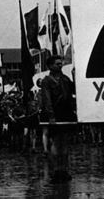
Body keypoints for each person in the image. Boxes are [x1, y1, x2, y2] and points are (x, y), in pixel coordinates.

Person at [41, 55, 77, 183]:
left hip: (66, 113)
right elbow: (47, 99)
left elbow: (74, 90)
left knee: (65, 143)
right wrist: (51, 116)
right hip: (55, 114)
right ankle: (56, 170)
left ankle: (64, 169)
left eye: (60, 63)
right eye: (57, 64)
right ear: (50, 66)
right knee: (56, 143)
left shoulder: (65, 79)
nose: (60, 66)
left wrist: (74, 76)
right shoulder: (46, 81)